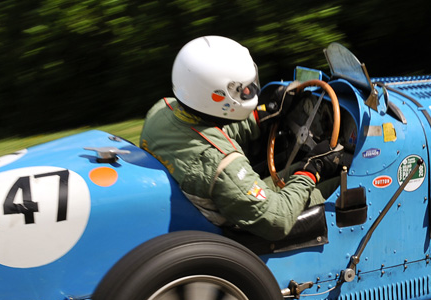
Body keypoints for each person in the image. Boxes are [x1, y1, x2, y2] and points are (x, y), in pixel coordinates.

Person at [139, 36, 340, 241]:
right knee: (344, 184)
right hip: (239, 231)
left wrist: (264, 115)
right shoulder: (222, 166)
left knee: (296, 169)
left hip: (210, 201)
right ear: (218, 96)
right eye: (243, 89)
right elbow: (279, 220)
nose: (248, 91)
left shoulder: (163, 109)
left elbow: (207, 132)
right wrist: (311, 171)